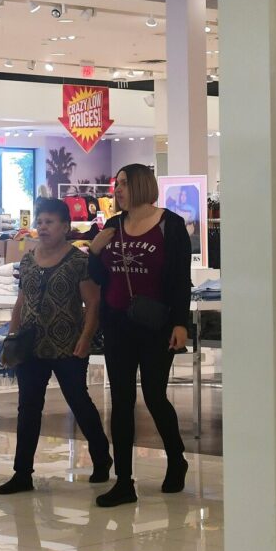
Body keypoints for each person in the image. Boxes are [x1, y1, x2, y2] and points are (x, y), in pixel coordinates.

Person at [88, 165, 192, 507]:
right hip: (117, 324)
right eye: (116, 184)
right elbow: (98, 277)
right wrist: (95, 252)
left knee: (154, 395)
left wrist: (181, 323)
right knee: (121, 400)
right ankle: (124, 481)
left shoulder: (170, 225)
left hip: (155, 324)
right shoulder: (112, 225)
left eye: (123, 183)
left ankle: (176, 458)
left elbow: (180, 279)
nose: (117, 189)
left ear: (141, 185)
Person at [0, 198, 112, 494]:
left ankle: (101, 457)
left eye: (49, 222)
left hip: (68, 345)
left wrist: (86, 338)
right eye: (40, 222)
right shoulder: (28, 260)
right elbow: (21, 301)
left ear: (64, 226)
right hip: (30, 346)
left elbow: (93, 302)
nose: (43, 227)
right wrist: (12, 336)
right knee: (28, 407)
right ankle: (22, 473)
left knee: (78, 401)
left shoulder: (77, 262)